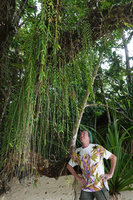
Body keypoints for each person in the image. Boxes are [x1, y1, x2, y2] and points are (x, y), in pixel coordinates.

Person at [67, 130, 117, 200]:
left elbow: (113, 157)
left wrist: (110, 174)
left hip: (99, 185)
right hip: (86, 187)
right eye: (81, 134)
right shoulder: (78, 152)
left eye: (84, 134)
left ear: (89, 138)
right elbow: (69, 166)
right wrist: (78, 178)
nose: (81, 135)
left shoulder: (97, 148)